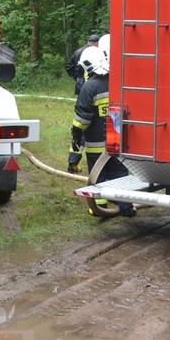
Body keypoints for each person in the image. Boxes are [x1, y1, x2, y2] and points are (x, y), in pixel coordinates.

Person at [71, 46, 135, 217]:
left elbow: (82, 118)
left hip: (95, 144)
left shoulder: (89, 87)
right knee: (119, 173)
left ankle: (99, 207)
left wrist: (76, 135)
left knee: (98, 176)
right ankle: (126, 206)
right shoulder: (116, 81)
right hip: (117, 141)